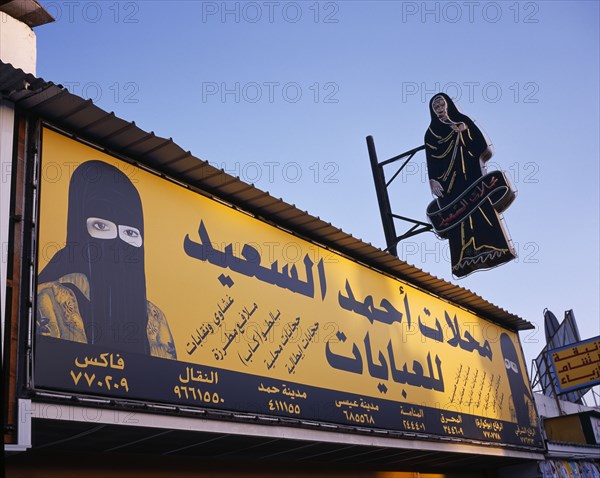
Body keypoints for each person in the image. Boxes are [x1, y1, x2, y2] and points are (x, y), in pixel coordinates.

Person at [36, 160, 176, 359]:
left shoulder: (154, 318)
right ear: (78, 227)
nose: (119, 244)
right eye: (102, 227)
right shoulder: (50, 299)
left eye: (130, 233)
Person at [424, 93, 516, 278]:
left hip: (471, 176)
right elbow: (431, 159)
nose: (440, 110)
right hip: (448, 184)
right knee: (458, 219)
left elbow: (480, 146)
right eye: (436, 107)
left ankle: (493, 248)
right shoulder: (431, 133)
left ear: (448, 105)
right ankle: (463, 259)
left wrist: (464, 132)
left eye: (442, 106)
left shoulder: (462, 120)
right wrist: (433, 179)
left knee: (480, 209)